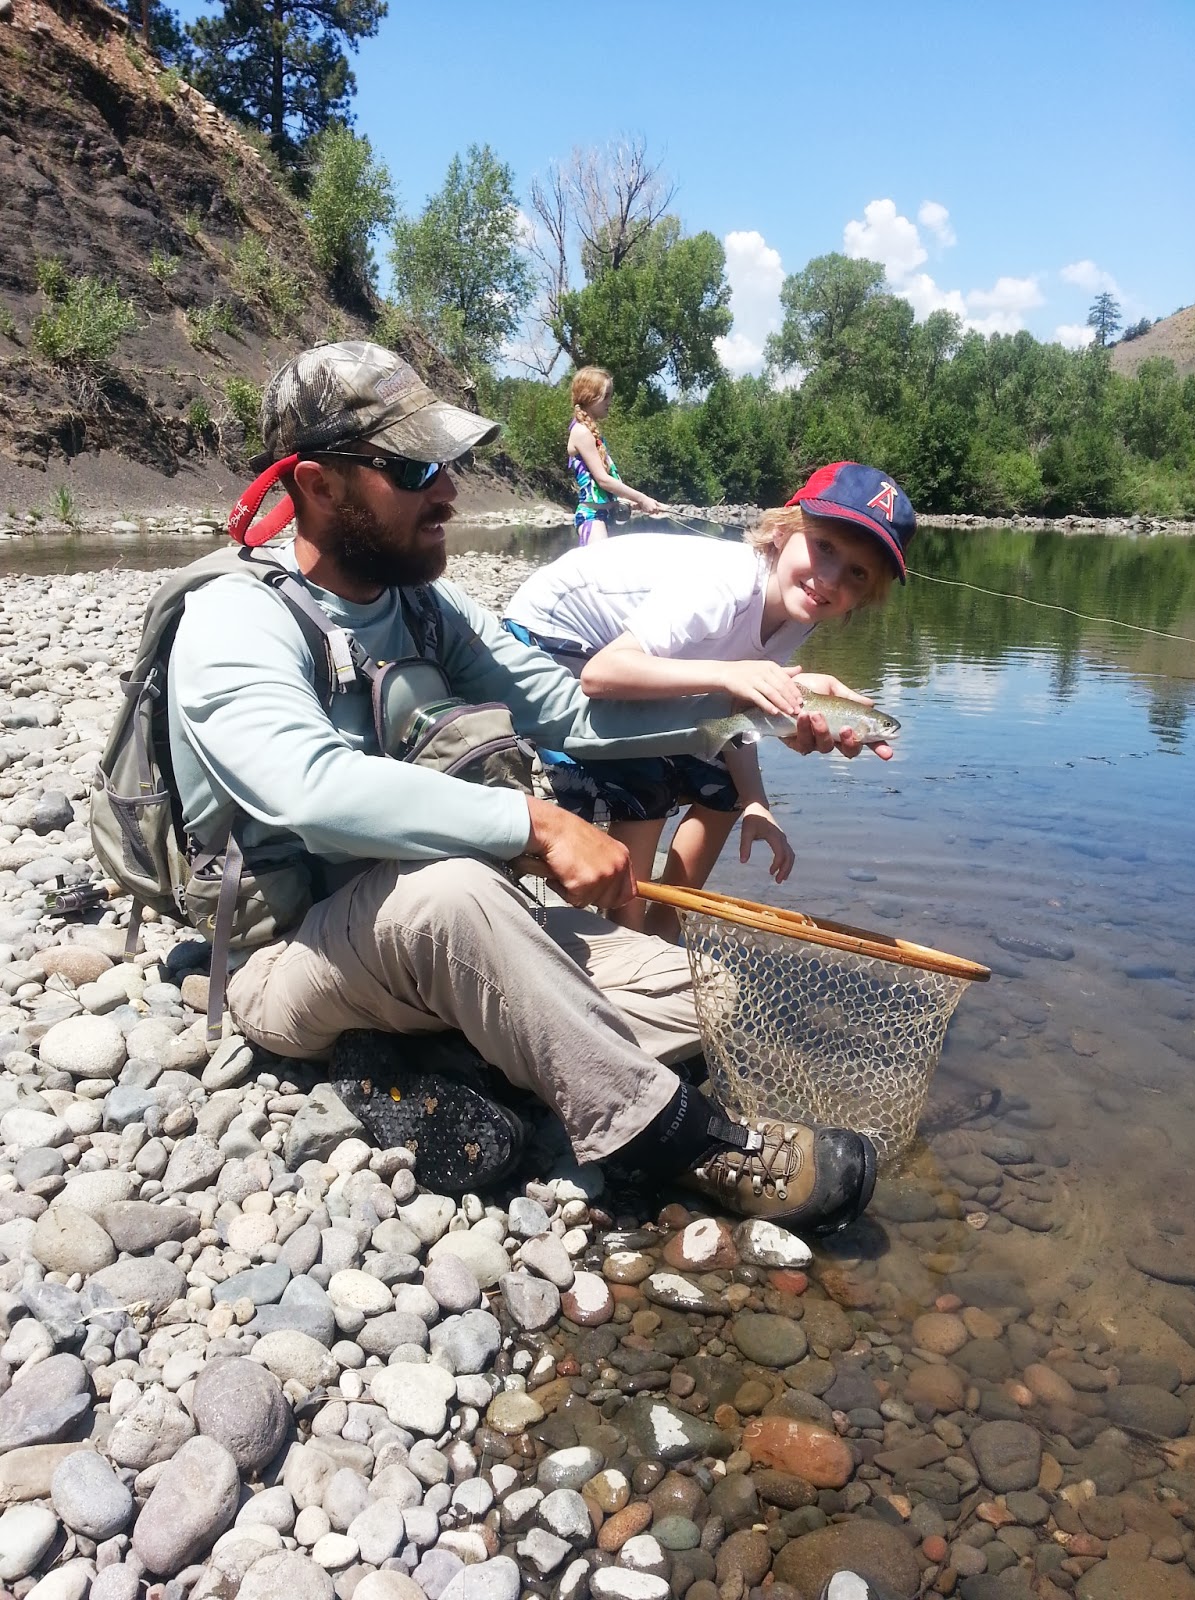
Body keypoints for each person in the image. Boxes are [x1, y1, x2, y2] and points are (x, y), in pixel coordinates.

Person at [164, 339, 880, 1231]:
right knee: (459, 892)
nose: (450, 491)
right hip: (289, 954)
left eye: (450, 464)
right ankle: (686, 1143)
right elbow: (309, 788)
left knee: (708, 994)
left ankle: (445, 1059)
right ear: (317, 485)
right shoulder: (235, 614)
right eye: (417, 467)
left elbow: (568, 713)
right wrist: (534, 823)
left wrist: (753, 708)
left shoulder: (427, 605)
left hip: (434, 930)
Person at [504, 461, 914, 939]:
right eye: (823, 546)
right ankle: (629, 938)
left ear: (867, 595)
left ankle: (665, 928)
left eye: (857, 573)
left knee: (724, 786)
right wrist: (729, 675)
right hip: (550, 640)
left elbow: (733, 714)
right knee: (647, 777)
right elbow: (601, 676)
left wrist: (757, 802)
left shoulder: (798, 613)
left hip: (621, 657)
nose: (830, 579)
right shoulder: (728, 585)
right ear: (782, 531)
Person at [568, 366, 666, 543]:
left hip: (602, 517)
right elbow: (603, 480)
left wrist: (629, 502)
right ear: (588, 396)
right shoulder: (581, 432)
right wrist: (642, 498)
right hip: (591, 518)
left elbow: (601, 488)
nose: (609, 401)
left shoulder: (591, 433)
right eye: (605, 396)